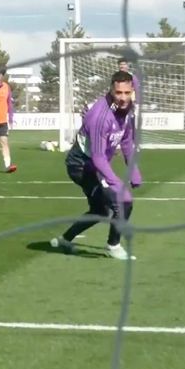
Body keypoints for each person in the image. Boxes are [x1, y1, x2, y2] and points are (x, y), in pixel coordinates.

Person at [51, 70, 140, 261]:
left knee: (100, 211)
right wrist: (114, 181)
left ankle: (64, 240)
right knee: (124, 201)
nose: (123, 98)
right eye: (118, 93)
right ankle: (113, 245)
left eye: (127, 93)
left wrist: (133, 169)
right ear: (111, 90)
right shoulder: (100, 117)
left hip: (95, 164)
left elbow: (126, 141)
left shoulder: (127, 109)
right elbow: (98, 158)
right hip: (81, 166)